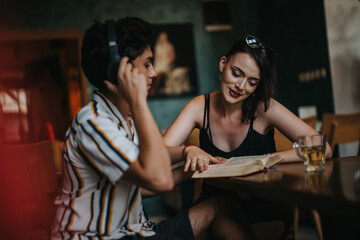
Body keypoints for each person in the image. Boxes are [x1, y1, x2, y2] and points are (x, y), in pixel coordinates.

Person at [51, 17, 254, 240]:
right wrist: (138, 101)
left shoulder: (122, 119)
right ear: (119, 70)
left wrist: (189, 155)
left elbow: (144, 181)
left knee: (223, 207)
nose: (154, 72)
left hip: (136, 231)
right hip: (96, 237)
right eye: (147, 63)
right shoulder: (93, 123)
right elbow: (160, 180)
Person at [163, 35, 333, 239]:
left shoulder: (264, 107)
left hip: (262, 209)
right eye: (236, 73)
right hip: (214, 205)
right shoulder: (200, 107)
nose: (241, 87)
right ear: (223, 64)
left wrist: (266, 159)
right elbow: (160, 155)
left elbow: (324, 148)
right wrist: (187, 150)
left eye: (252, 82)